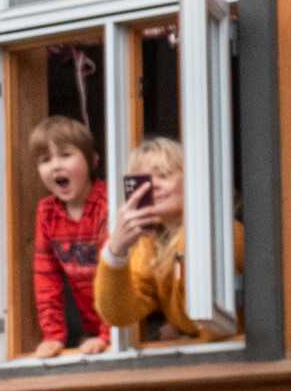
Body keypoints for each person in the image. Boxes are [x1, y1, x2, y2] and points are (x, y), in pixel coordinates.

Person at [96, 136, 238, 346]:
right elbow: (119, 314)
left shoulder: (224, 235)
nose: (153, 186)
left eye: (163, 175)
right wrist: (116, 250)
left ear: (193, 180)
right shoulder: (150, 246)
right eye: (143, 181)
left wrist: (181, 332)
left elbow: (214, 322)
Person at [23, 115, 109, 358]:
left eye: (65, 155)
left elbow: (118, 274)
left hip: (130, 324)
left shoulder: (108, 203)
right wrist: (53, 335)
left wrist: (109, 335)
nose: (56, 166)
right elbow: (46, 279)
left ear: (93, 160)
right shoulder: (47, 213)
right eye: (45, 160)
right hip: (93, 329)